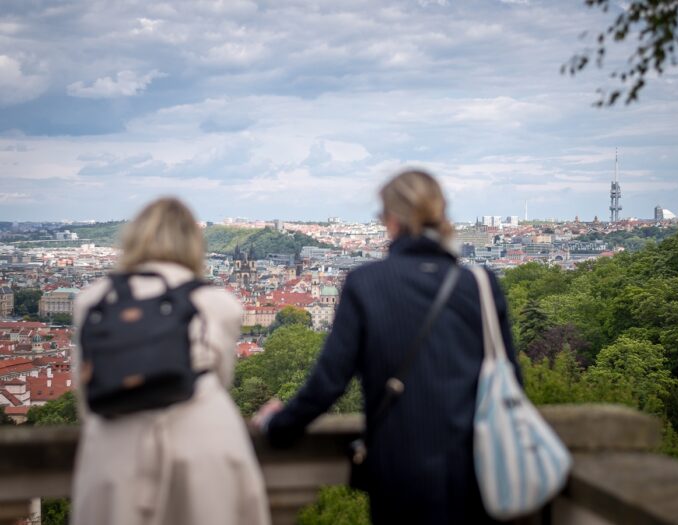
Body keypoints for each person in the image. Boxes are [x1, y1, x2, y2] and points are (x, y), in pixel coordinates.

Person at [254, 170, 522, 524]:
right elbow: (511, 380)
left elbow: (329, 383)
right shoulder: (481, 284)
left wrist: (279, 425)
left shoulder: (366, 283)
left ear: (392, 219)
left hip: (400, 472)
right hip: (479, 471)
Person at [71, 198, 270, 525]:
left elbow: (85, 389)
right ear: (194, 245)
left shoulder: (93, 300)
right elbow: (222, 380)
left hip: (117, 439)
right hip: (204, 436)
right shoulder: (217, 301)